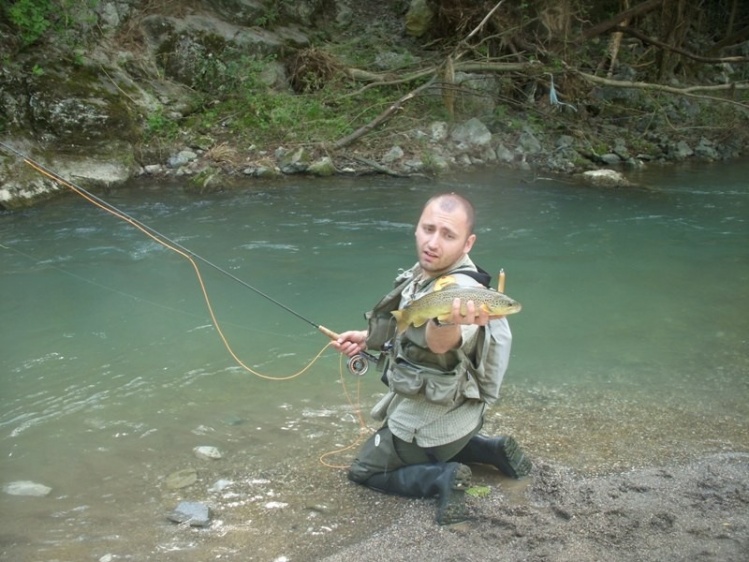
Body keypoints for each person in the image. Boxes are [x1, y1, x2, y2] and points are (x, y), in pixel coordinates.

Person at [332, 192, 531, 526]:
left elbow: (442, 345)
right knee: (407, 441)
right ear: (416, 229)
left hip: (440, 420)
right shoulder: (425, 272)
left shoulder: (462, 291)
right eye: (428, 229)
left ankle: (441, 477)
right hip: (464, 414)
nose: (433, 243)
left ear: (468, 243)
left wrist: (447, 319)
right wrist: (368, 339)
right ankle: (488, 450)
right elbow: (411, 332)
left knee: (363, 470)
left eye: (448, 235)